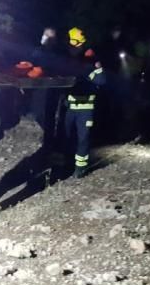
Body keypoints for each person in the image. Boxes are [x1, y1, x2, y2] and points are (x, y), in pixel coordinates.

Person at [60, 27, 106, 178]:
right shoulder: (68, 60)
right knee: (67, 136)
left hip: (86, 108)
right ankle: (67, 164)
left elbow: (101, 80)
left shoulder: (90, 61)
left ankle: (80, 169)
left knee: (83, 138)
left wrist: (93, 69)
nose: (73, 48)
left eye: (76, 46)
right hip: (70, 107)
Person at [30, 27, 61, 149]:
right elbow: (31, 64)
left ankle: (50, 142)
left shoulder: (56, 53)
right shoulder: (37, 51)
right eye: (45, 35)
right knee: (37, 113)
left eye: (50, 36)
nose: (47, 38)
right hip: (39, 87)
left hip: (52, 87)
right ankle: (50, 138)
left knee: (49, 115)